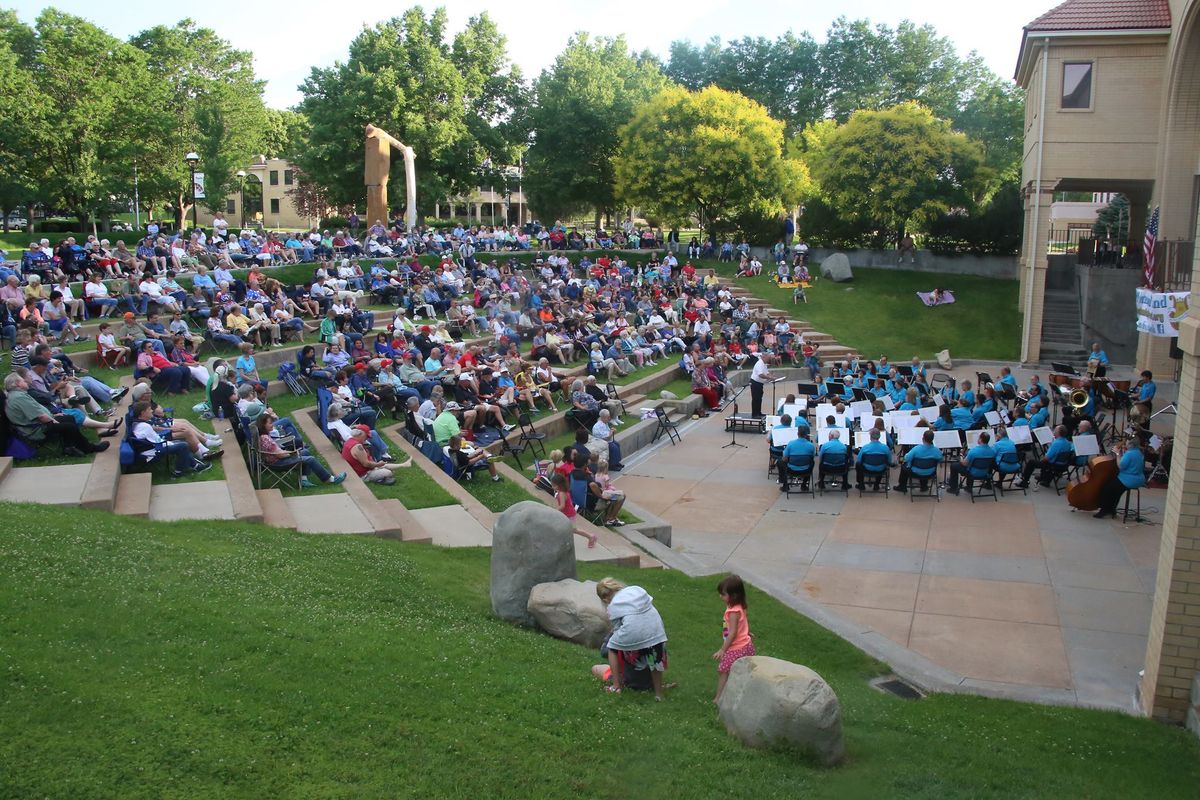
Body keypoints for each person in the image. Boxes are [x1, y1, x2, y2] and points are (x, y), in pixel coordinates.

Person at [3, 372, 110, 456]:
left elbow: (37, 413)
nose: (26, 382)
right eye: (23, 381)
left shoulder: (17, 395)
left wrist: (53, 416)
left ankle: (69, 447)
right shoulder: (19, 398)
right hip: (36, 430)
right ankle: (89, 448)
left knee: (69, 418)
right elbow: (39, 416)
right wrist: (53, 420)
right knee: (69, 426)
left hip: (39, 424)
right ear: (17, 384)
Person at [596, 578, 668, 700]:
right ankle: (659, 694)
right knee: (654, 657)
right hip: (656, 628)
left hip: (633, 631)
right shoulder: (635, 590)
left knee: (612, 647)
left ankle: (616, 686)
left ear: (605, 599)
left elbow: (617, 628)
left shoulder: (613, 605)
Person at [256, 415, 346, 488]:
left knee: (305, 452)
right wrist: (293, 453)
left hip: (277, 458)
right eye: (270, 423)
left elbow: (277, 452)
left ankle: (304, 480)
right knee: (310, 459)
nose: (272, 424)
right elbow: (280, 455)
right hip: (278, 463)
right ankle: (330, 479)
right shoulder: (265, 438)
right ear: (263, 425)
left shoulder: (264, 436)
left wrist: (291, 452)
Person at [129, 400, 211, 477]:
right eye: (149, 409)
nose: (151, 411)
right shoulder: (144, 427)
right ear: (143, 413)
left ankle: (196, 466)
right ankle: (178, 472)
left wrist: (169, 436)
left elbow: (153, 437)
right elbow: (154, 442)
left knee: (181, 444)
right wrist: (170, 443)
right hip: (151, 453)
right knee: (183, 446)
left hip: (152, 448)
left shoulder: (139, 423)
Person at [712, 574, 755, 703]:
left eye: (723, 594)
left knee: (723, 671)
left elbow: (733, 633)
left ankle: (718, 698)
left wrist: (722, 650)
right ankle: (738, 692)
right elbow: (742, 623)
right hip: (746, 644)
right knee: (740, 670)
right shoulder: (738, 607)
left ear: (734, 595)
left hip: (736, 648)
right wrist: (747, 632)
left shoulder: (733, 612)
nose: (721, 596)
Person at [1093, 438, 1146, 519]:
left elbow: (1121, 466)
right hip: (1139, 479)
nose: (1125, 444)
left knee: (1107, 489)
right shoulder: (1139, 452)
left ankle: (1104, 511)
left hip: (1128, 480)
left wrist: (1118, 454)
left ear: (1131, 445)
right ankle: (1111, 510)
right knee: (1116, 491)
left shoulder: (1130, 453)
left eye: (1127, 443)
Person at [945, 430, 996, 495]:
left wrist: (960, 458)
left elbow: (964, 463)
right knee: (973, 464)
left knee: (954, 466)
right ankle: (969, 487)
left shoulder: (973, 451)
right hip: (985, 472)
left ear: (980, 439)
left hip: (973, 472)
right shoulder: (992, 451)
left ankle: (953, 488)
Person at [895, 429, 941, 493]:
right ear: (932, 439)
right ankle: (924, 486)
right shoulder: (937, 450)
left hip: (915, 472)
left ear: (923, 438)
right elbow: (940, 460)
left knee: (903, 467)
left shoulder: (916, 448)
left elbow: (906, 458)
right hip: (930, 472)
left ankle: (902, 486)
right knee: (925, 465)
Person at [749, 353, 775, 418]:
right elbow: (760, 374)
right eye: (768, 358)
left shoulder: (764, 364)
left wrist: (771, 377)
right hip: (755, 383)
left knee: (759, 398)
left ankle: (759, 412)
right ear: (764, 357)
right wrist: (769, 378)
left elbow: (766, 373)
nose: (769, 359)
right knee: (756, 399)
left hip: (760, 384)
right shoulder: (759, 364)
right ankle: (754, 414)